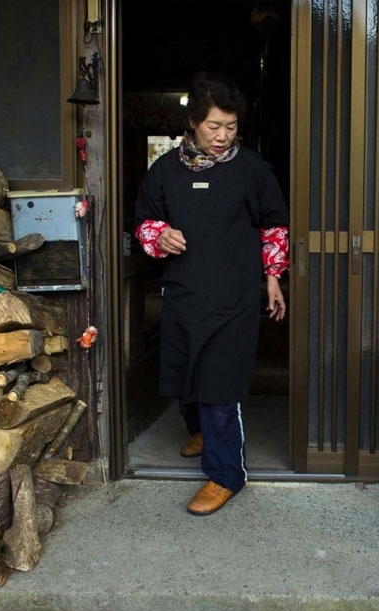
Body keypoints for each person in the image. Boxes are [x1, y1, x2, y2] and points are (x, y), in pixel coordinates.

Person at [133, 71, 289, 516]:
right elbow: (144, 221)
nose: (223, 136)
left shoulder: (253, 170)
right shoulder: (164, 171)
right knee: (185, 375)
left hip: (235, 295)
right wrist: (159, 236)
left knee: (221, 384)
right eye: (213, 127)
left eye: (231, 127)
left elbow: (275, 225)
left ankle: (225, 474)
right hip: (183, 293)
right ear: (194, 124)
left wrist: (273, 277)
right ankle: (199, 431)